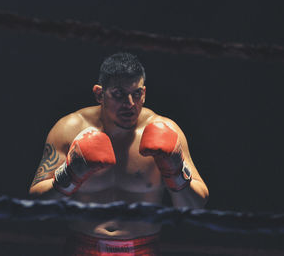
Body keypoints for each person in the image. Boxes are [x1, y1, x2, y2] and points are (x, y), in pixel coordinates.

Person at [28, 52, 209, 255]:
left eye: (137, 93)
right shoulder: (69, 129)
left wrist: (176, 170)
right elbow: (37, 206)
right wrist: (69, 174)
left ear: (145, 92)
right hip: (82, 247)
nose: (130, 104)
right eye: (119, 94)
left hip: (143, 249)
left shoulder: (166, 129)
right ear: (99, 94)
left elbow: (195, 208)